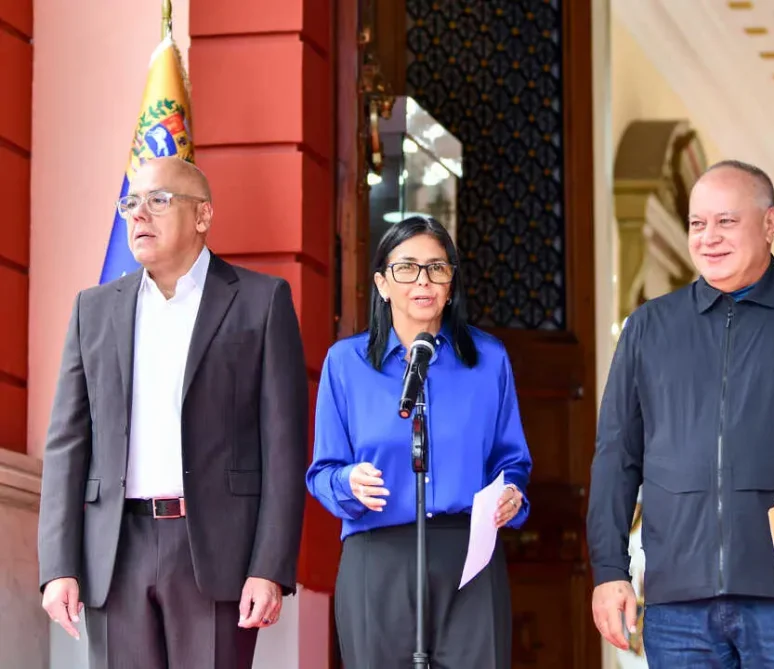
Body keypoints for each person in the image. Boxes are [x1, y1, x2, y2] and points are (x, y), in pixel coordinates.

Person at [587, 160, 774, 667]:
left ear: (770, 225)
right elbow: (616, 456)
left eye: (726, 221)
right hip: (676, 606)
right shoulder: (647, 329)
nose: (709, 237)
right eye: (697, 224)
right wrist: (608, 569)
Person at [37, 156, 309, 669]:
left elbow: (283, 446)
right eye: (130, 203)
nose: (139, 215)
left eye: (158, 201)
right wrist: (58, 566)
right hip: (115, 550)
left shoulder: (260, 301)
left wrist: (269, 567)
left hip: (215, 550)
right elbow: (67, 443)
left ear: (202, 215)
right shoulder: (92, 310)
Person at [306, 215, 532, 669]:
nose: (423, 281)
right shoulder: (345, 363)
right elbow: (322, 472)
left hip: (468, 559)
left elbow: (512, 461)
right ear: (382, 283)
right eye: (406, 268)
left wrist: (511, 492)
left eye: (437, 268)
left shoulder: (488, 360)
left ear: (451, 283)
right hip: (378, 557)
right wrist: (349, 482)